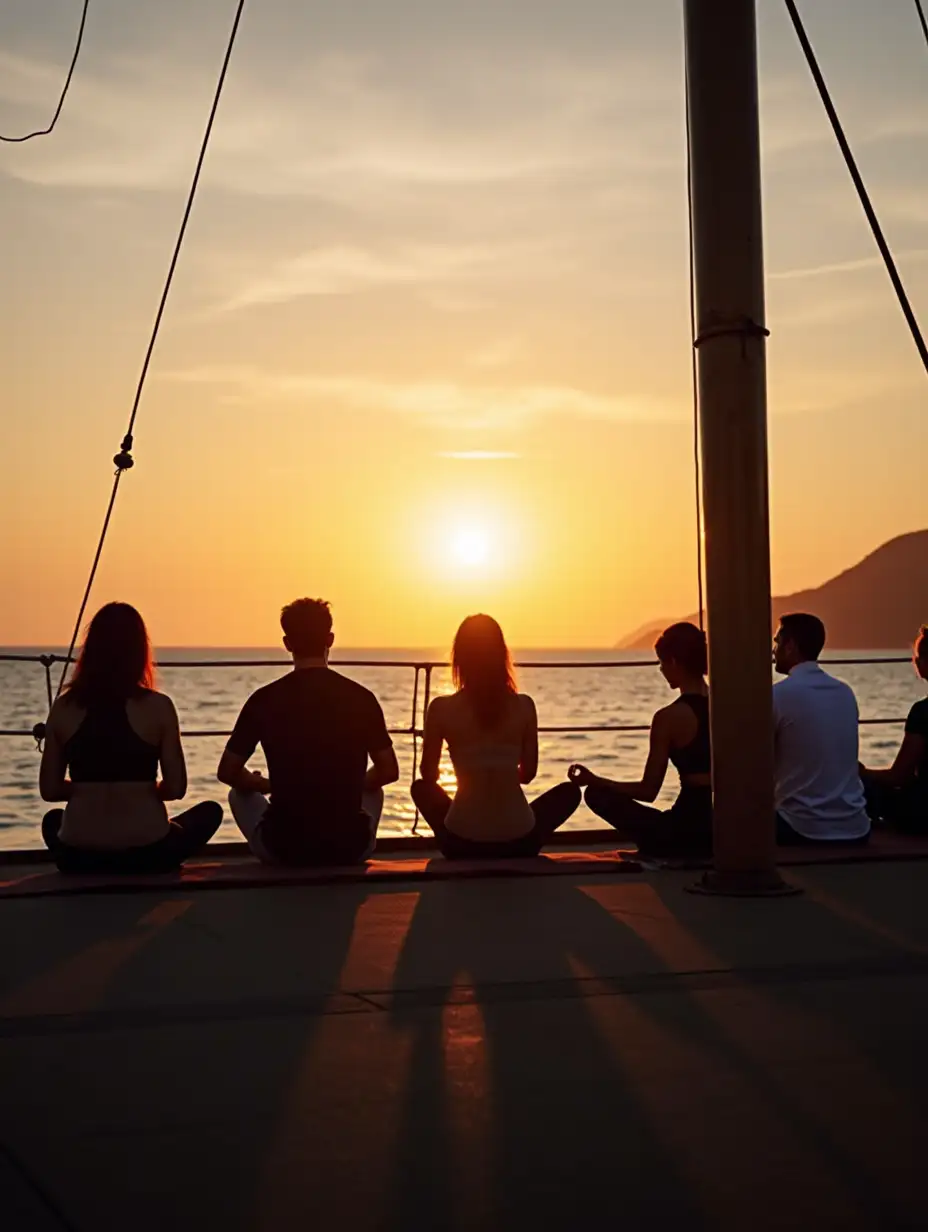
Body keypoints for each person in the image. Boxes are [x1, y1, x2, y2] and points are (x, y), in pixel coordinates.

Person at [39, 602, 222, 873]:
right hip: (149, 854)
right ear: (140, 651)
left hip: (79, 857)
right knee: (210, 812)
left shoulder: (64, 708)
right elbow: (175, 789)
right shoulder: (159, 707)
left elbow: (50, 791)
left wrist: (87, 787)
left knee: (53, 820)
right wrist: (142, 789)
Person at [218, 598, 399, 865]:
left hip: (284, 850)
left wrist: (265, 785)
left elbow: (228, 772)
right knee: (374, 791)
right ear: (330, 639)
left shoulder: (263, 699)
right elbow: (388, 770)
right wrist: (344, 787)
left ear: (287, 643)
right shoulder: (361, 698)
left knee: (238, 793)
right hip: (349, 849)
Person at [411, 614, 581, 858]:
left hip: (461, 843)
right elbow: (528, 775)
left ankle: (467, 826)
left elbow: (428, 775)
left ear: (459, 658)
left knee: (420, 789)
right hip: (520, 842)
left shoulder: (440, 708)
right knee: (569, 792)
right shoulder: (524, 706)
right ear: (501, 655)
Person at [569, 622, 712, 859]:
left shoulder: (668, 718)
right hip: (729, 829)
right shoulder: (729, 705)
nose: (661, 670)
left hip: (685, 833)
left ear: (674, 662)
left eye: (662, 663)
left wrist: (596, 780)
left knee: (596, 795)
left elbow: (648, 791)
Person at [772, 612, 870, 845]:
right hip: (856, 827)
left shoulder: (779, 694)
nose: (773, 650)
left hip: (801, 828)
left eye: (776, 642)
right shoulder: (844, 692)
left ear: (790, 646)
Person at [860, 625, 928, 833]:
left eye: (917, 656)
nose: (914, 661)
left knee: (865, 788)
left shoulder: (922, 712)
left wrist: (862, 772)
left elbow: (898, 776)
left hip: (922, 810)